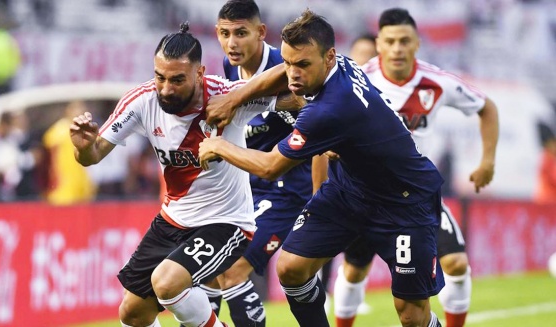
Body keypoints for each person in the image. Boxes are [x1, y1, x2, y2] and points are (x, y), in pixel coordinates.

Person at [199, 9, 445, 327]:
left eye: (303, 65)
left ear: (328, 57)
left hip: (404, 201)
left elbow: (272, 166)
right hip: (349, 190)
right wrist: (235, 99)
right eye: (288, 62)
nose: (293, 75)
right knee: (290, 268)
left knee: (411, 316)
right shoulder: (337, 63)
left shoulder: (330, 109)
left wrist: (218, 146)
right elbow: (281, 75)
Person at [70, 23, 284, 327]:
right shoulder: (142, 101)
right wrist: (83, 148)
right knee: (132, 314)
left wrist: (241, 97)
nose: (166, 88)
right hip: (172, 221)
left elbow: (289, 76)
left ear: (199, 73)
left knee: (167, 282)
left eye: (177, 79)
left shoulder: (226, 97)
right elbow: (92, 157)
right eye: (160, 77)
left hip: (225, 222)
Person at [332, 8, 499, 327]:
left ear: (417, 43)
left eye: (404, 41)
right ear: (379, 44)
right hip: (366, 194)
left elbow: (486, 107)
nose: (397, 48)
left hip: (417, 195)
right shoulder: (358, 79)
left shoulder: (436, 81)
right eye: (390, 41)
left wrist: (487, 161)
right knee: (354, 270)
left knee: (457, 263)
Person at [199, 1, 328, 326]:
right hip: (247, 187)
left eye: (241, 33)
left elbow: (320, 136)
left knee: (232, 268)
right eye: (225, 33)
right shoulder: (229, 71)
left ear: (260, 33)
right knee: (208, 273)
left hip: (289, 189)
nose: (232, 43)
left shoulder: (287, 66)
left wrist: (319, 201)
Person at [321, 32, 378, 316]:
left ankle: (352, 292)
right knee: (322, 243)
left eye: (370, 54)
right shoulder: (336, 88)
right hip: (338, 186)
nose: (364, 60)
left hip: (373, 192)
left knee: (359, 256)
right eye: (360, 53)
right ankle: (321, 294)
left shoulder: (381, 95)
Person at [43, 100, 97, 205]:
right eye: (76, 109)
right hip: (64, 186)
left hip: (81, 185)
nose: (79, 112)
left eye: (82, 110)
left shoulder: (86, 132)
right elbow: (49, 160)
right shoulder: (58, 131)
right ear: (68, 111)